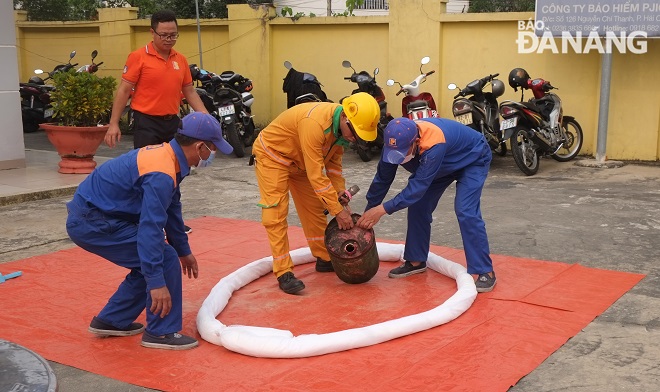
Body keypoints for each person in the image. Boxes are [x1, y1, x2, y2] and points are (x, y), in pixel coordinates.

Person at [66, 113, 233, 350]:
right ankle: (160, 332)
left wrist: (184, 249)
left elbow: (172, 208)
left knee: (151, 260)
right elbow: (150, 227)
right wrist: (157, 283)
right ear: (200, 146)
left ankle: (112, 320)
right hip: (92, 221)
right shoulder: (161, 173)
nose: (212, 155)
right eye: (213, 149)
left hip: (97, 215)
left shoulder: (170, 158)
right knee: (162, 259)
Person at [252, 92, 381, 294]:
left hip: (301, 164)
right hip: (274, 157)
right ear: (347, 116)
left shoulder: (340, 132)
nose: (354, 139)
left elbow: (334, 169)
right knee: (275, 213)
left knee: (314, 209)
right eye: (354, 133)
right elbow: (316, 176)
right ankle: (283, 272)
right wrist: (338, 211)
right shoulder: (314, 123)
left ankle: (324, 257)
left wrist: (340, 195)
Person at [356, 117, 497, 293]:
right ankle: (416, 260)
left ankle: (485, 270)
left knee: (465, 210)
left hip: (472, 158)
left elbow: (416, 188)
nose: (398, 157)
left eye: (403, 152)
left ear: (415, 141)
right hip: (441, 166)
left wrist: (382, 210)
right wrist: (369, 210)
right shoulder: (393, 143)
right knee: (419, 206)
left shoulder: (433, 144)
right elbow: (382, 179)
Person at [104, 9, 207, 234]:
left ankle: (173, 223)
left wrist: (206, 118)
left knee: (176, 172)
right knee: (148, 174)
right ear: (152, 32)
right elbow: (123, 90)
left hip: (172, 123)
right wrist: (113, 123)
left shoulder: (180, 59)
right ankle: (147, 222)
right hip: (146, 123)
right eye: (164, 35)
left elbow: (189, 91)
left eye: (173, 35)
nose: (169, 39)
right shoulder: (138, 57)